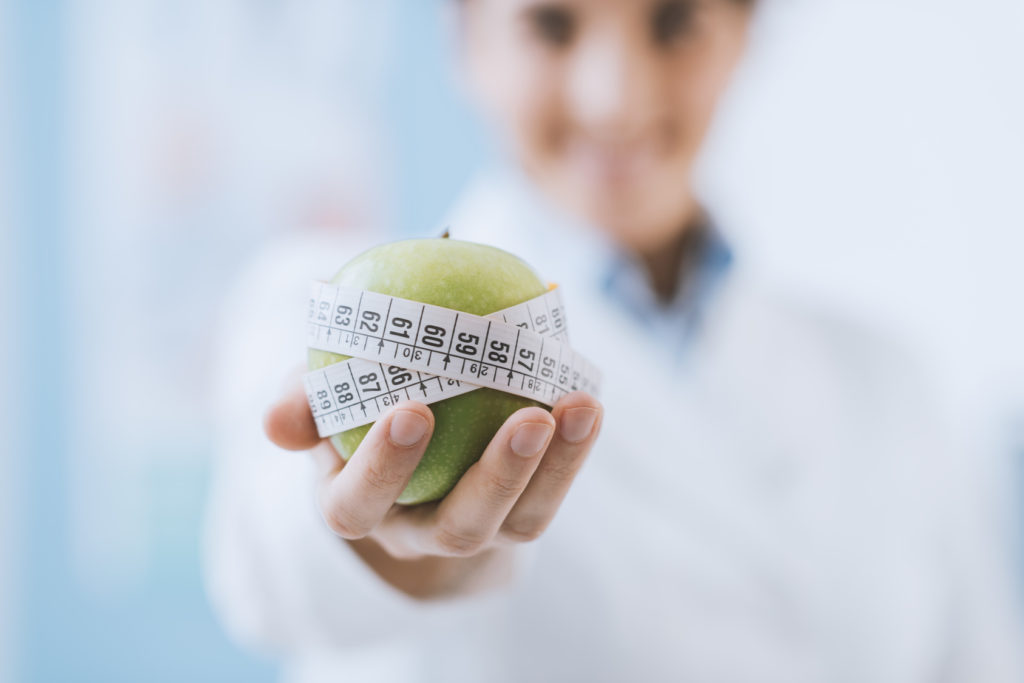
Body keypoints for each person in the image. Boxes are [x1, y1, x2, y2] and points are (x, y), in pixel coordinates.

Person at [203, 1, 1024, 681]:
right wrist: (408, 552)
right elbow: (271, 572)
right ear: (467, 42)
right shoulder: (326, 307)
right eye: (551, 26)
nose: (615, 99)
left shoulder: (888, 377)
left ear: (743, 35)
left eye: (673, 23)